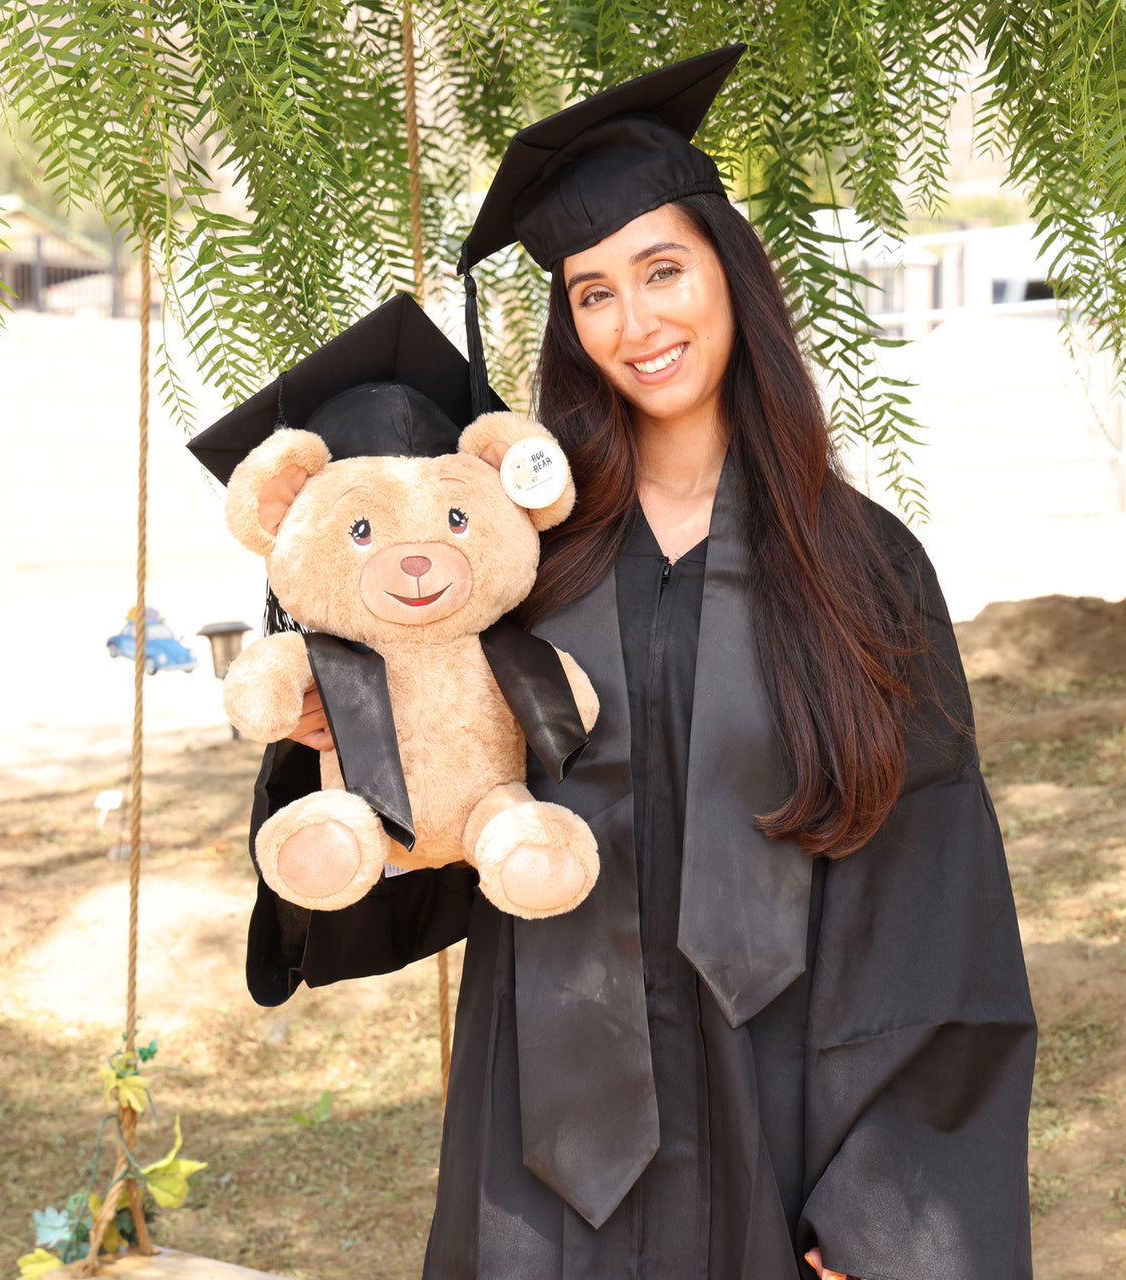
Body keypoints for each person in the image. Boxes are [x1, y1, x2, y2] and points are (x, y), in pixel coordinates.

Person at [196, 45, 1036, 1280]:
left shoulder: (860, 567)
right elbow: (442, 829)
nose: (635, 323)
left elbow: (929, 889)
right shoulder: (524, 560)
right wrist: (357, 743)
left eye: (661, 271)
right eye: (592, 293)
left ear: (729, 273)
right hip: (542, 1119)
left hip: (781, 1105)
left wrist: (880, 1203)